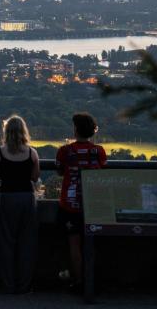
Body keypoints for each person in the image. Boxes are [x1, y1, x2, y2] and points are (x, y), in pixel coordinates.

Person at [55, 112, 106, 293]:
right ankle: (93, 280)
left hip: (70, 204)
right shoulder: (98, 151)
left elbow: (60, 172)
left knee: (74, 245)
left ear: (75, 129)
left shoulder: (65, 151)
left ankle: (79, 281)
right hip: (94, 202)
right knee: (92, 243)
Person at [0, 115, 40, 294]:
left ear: (6, 131)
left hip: (6, 197)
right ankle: (24, 285)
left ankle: (8, 285)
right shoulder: (32, 153)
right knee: (27, 243)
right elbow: (34, 178)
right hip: (26, 197)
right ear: (23, 131)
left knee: (6, 242)